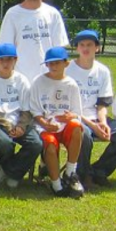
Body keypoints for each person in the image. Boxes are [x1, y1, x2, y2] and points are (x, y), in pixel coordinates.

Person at [65, 29, 116, 188]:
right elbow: (67, 108)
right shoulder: (67, 69)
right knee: (84, 135)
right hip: (74, 117)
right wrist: (93, 126)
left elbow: (102, 104)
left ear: (97, 47)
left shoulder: (102, 71)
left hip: (95, 116)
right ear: (77, 48)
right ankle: (82, 175)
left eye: (89, 45)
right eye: (81, 45)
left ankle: (99, 172)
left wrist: (103, 123)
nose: (85, 48)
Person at [0, 43, 43, 189]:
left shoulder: (21, 80)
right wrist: (5, 124)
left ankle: (9, 171)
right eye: (1, 59)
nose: (5, 63)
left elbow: (26, 110)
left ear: (15, 60)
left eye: (9, 59)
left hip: (17, 122)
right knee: (5, 144)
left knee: (36, 144)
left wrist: (21, 126)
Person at [29, 47, 85, 198]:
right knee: (51, 146)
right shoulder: (38, 82)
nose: (53, 66)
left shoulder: (71, 84)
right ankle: (56, 184)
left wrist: (70, 116)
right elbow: (34, 110)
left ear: (66, 63)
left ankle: (70, 172)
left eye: (57, 63)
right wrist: (44, 123)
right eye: (50, 63)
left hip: (64, 125)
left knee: (76, 126)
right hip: (45, 126)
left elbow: (77, 112)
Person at [0, 0, 69, 81]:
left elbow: (59, 50)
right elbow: (5, 49)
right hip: (20, 79)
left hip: (48, 78)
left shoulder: (53, 14)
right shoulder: (13, 14)